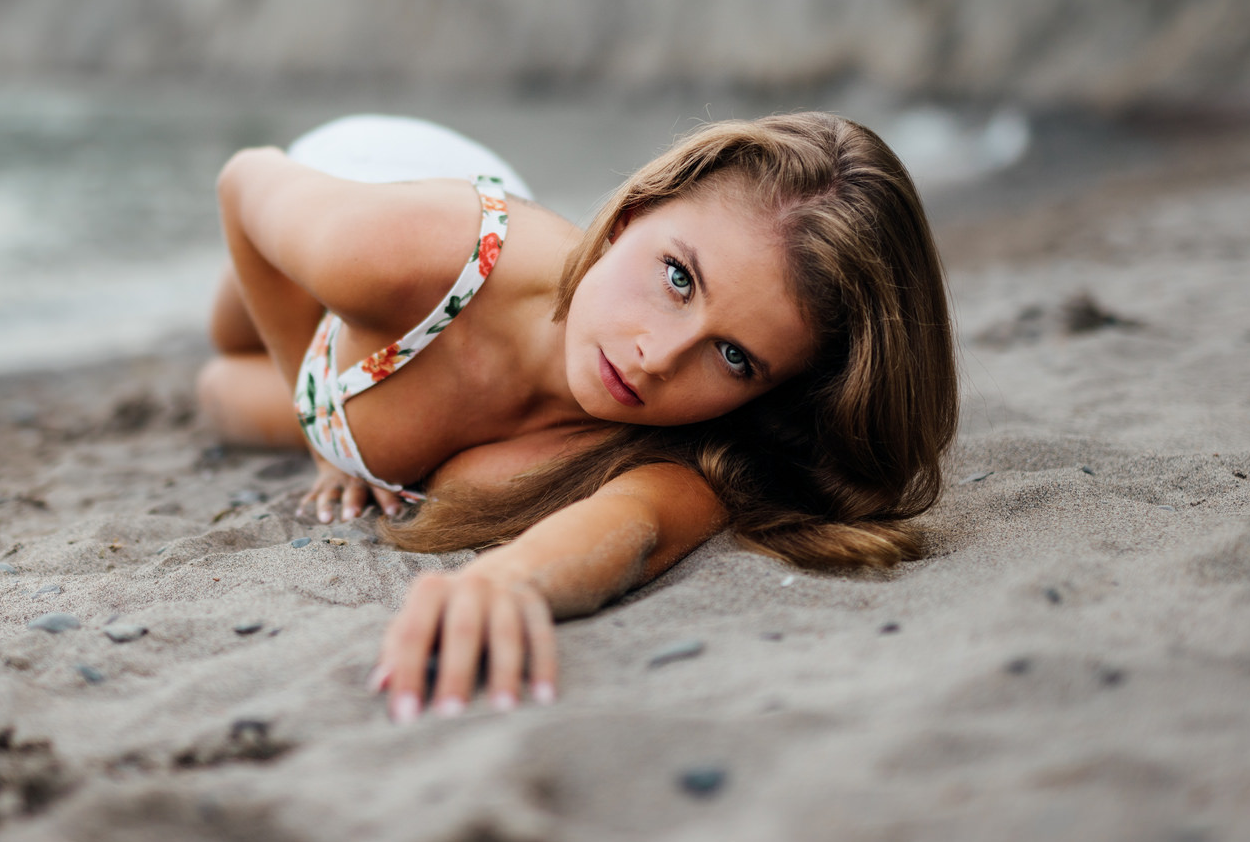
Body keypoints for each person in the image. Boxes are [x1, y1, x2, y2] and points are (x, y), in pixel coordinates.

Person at [198, 112, 956, 723]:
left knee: (216, 396)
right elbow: (241, 177)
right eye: (677, 276)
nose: (657, 356)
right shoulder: (389, 251)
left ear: (772, 392)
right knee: (225, 336)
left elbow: (635, 525)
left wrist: (511, 581)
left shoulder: (691, 447)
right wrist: (319, 430)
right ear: (633, 211)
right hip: (365, 193)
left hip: (394, 360)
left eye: (733, 356)